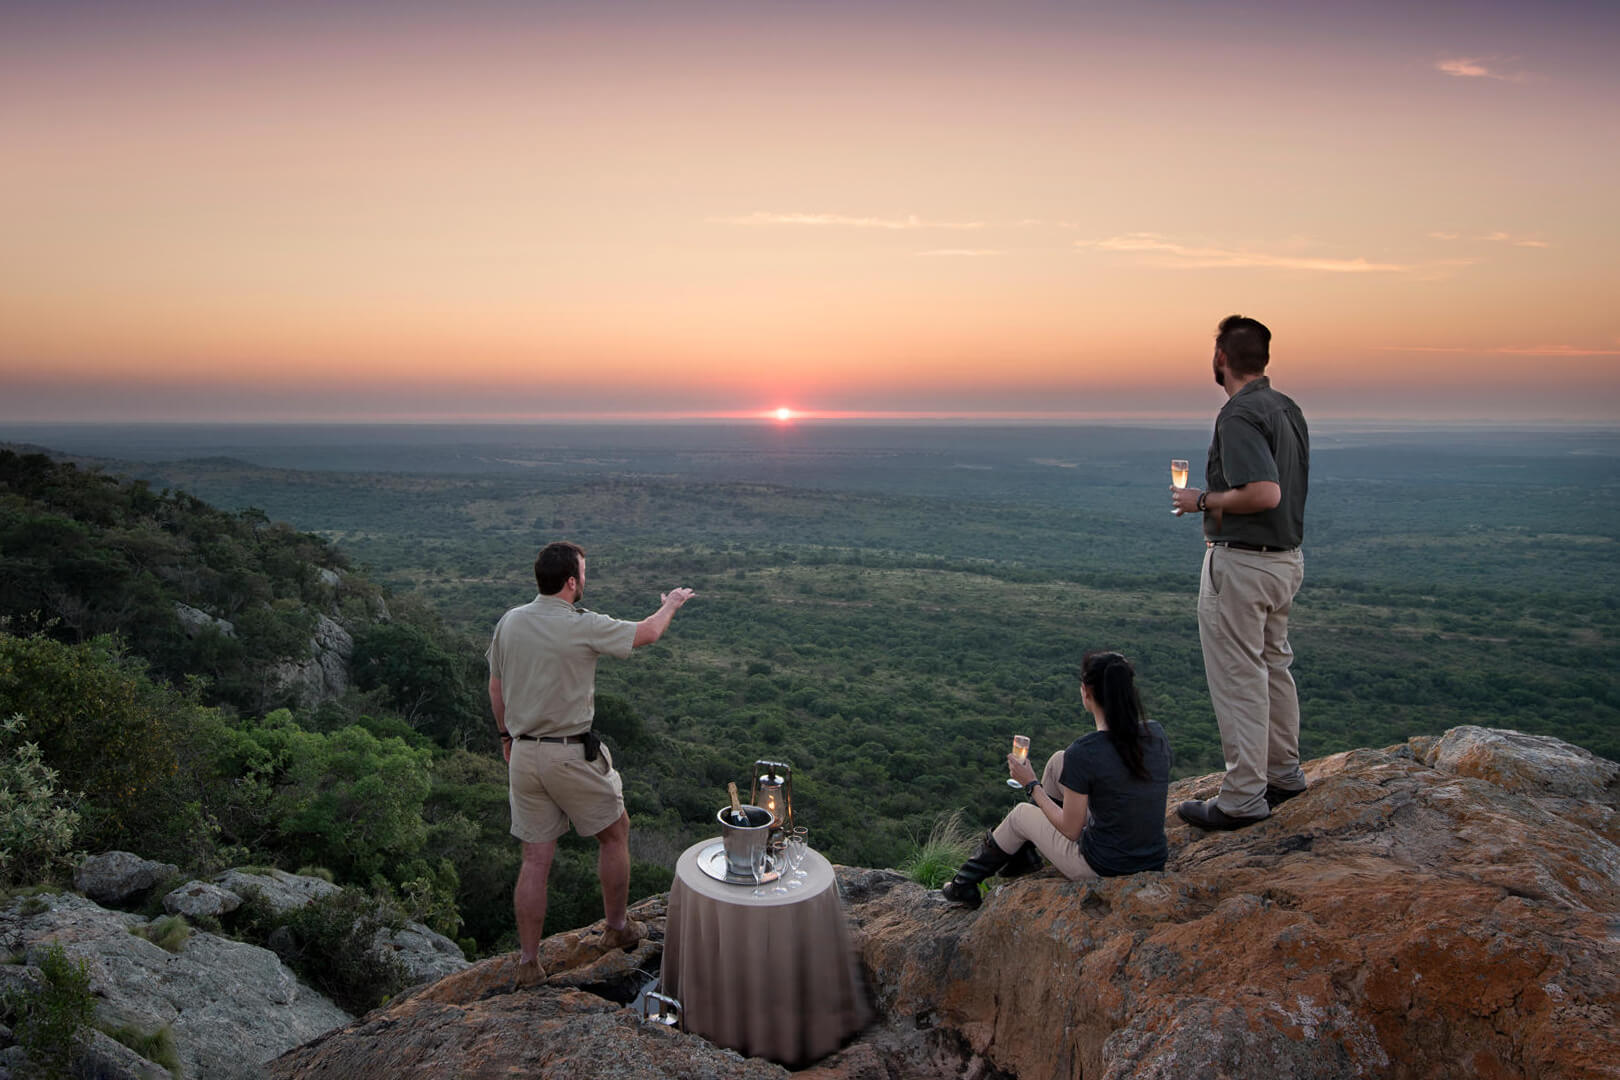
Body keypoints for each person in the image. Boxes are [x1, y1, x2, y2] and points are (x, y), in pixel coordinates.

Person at [487, 541, 695, 986]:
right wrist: (672, 603)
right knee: (615, 832)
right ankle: (617, 930)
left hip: (523, 754)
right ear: (571, 583)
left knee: (535, 859)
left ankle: (528, 963)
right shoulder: (580, 625)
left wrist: (506, 737)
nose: (585, 580)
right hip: (569, 751)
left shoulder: (510, 621)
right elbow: (648, 633)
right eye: (583, 573)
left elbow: (496, 685)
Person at [1170, 314, 1309, 830]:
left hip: (1243, 562)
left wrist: (1200, 499)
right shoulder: (1286, 408)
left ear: (1221, 358)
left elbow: (1264, 492)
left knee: (1238, 677)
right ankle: (1284, 773)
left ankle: (1243, 797)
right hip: (1284, 561)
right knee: (1273, 665)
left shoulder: (1238, 414)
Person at [940, 651, 1171, 908]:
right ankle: (1024, 852)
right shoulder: (1156, 734)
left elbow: (1072, 830)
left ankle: (963, 884)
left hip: (1104, 867)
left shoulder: (1084, 752)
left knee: (1020, 815)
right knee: (1057, 761)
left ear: (1086, 691)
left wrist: (1031, 785)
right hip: (1152, 859)